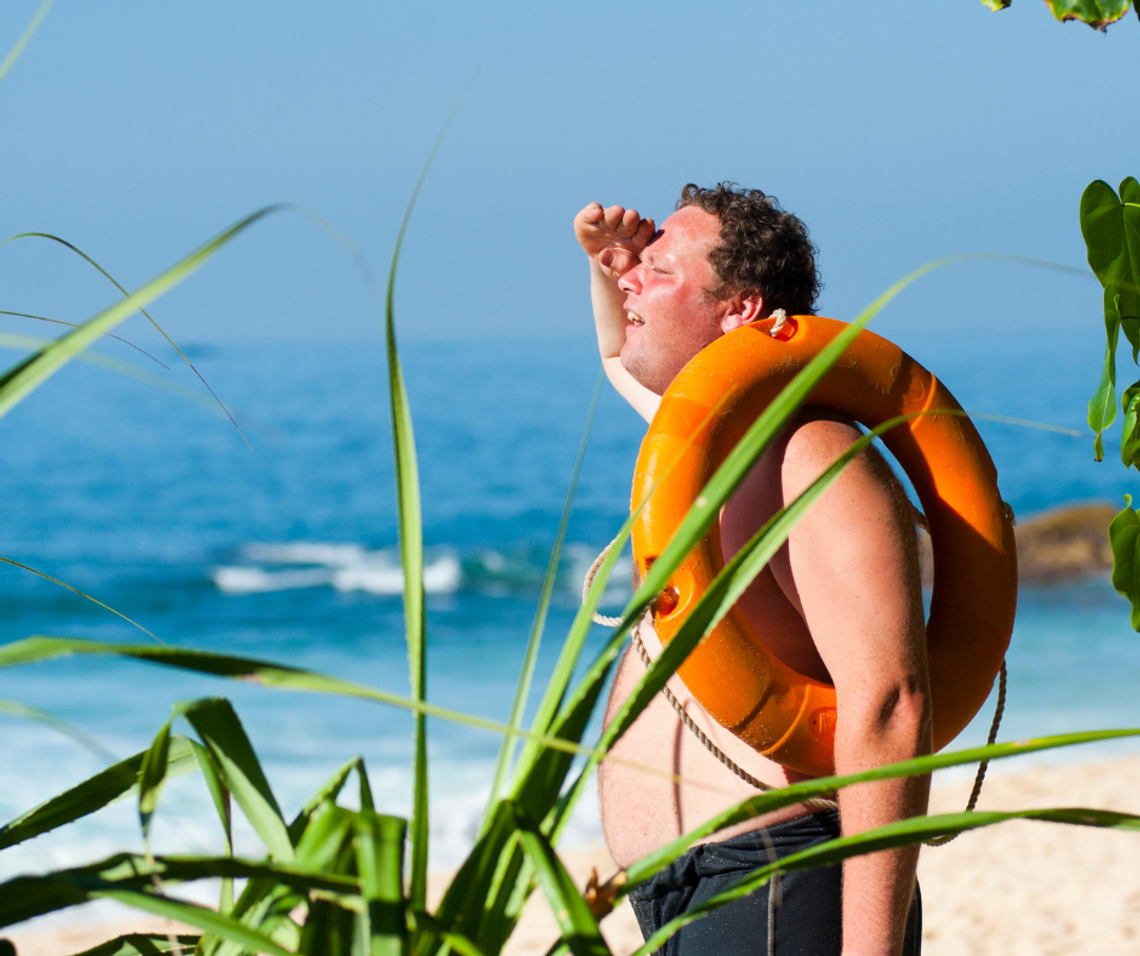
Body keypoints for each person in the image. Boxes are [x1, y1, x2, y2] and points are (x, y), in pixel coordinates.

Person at [574, 184, 930, 956]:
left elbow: (892, 704)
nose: (632, 279)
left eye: (658, 269)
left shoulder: (810, 456)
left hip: (779, 874)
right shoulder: (701, 446)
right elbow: (614, 353)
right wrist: (607, 263)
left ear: (738, 310)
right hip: (686, 895)